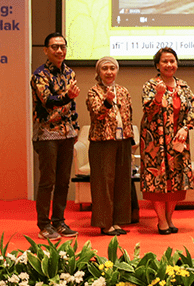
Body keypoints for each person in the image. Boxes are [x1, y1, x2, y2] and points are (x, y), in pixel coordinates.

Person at [140, 47, 194, 234]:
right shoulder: (150, 84)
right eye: (164, 61)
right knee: (157, 180)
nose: (169, 64)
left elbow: (192, 111)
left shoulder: (183, 86)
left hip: (177, 141)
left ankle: (170, 218)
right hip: (155, 142)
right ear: (157, 64)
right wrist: (158, 96)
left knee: (176, 181)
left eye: (172, 61)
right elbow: (148, 112)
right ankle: (161, 220)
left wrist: (185, 128)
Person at [30, 32, 80, 241]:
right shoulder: (40, 75)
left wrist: (75, 128)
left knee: (63, 181)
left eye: (62, 46)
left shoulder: (69, 72)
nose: (59, 50)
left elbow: (73, 104)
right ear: (46, 50)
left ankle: (58, 221)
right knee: (47, 181)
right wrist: (66, 96)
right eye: (54, 47)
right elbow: (47, 100)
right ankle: (44, 224)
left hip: (67, 133)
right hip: (47, 133)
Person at [85, 56, 134, 236]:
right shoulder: (94, 92)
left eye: (112, 68)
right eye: (105, 68)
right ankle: (105, 223)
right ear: (99, 72)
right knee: (103, 183)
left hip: (123, 140)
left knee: (122, 182)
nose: (109, 72)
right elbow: (97, 114)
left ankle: (118, 221)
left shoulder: (123, 90)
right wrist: (107, 101)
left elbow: (129, 114)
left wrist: (131, 139)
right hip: (102, 142)